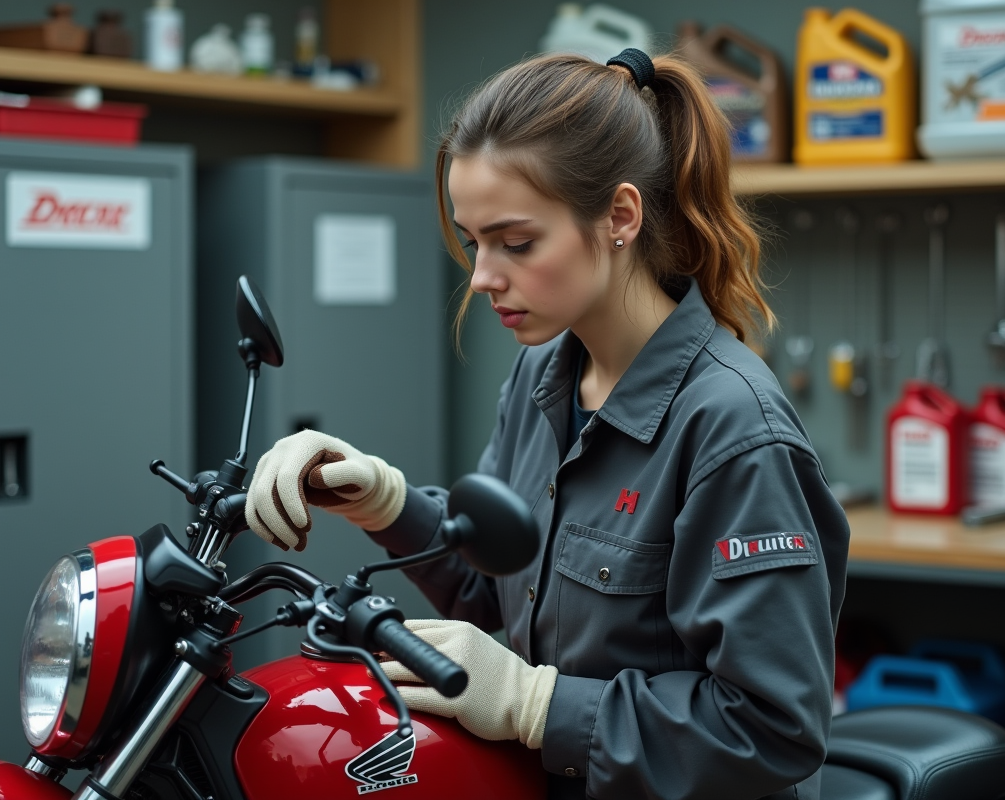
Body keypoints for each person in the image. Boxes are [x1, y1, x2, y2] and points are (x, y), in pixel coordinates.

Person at [245, 48, 850, 800]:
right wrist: (387, 503)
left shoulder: (731, 428)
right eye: (475, 243)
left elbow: (773, 728)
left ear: (620, 216)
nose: (485, 277)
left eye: (517, 243)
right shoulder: (548, 372)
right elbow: (494, 586)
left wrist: (537, 704)